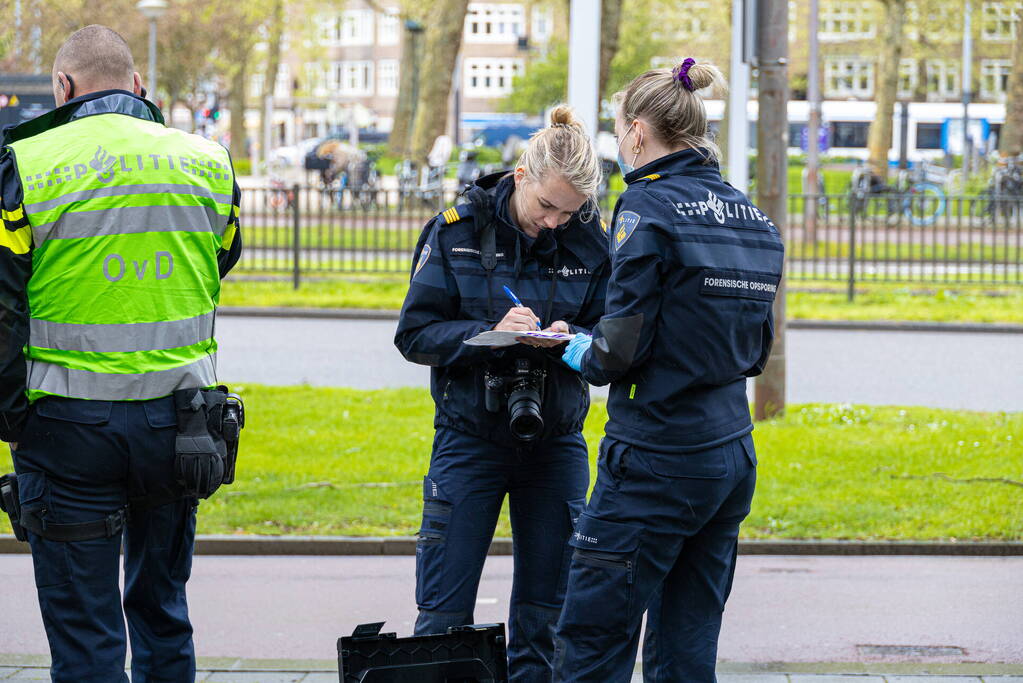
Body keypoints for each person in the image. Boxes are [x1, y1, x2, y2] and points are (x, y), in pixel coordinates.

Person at [0, 25, 242, 682]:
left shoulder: (29, 163)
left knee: (86, 634)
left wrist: (12, 417)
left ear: (63, 87)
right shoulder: (207, 160)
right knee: (163, 609)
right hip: (182, 426)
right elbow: (222, 256)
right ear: (140, 86)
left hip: (67, 428)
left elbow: (2, 303)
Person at [552, 59, 785, 682]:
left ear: (635, 132)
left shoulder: (645, 208)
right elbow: (757, 349)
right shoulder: (753, 218)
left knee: (593, 638)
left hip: (656, 455)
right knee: (687, 645)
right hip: (731, 454)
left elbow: (616, 351)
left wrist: (579, 347)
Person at [394, 105, 610, 682]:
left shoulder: (592, 242)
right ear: (521, 176)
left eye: (570, 212)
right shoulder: (457, 229)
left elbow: (617, 340)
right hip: (469, 439)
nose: (556, 223)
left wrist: (578, 338)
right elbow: (413, 334)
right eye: (547, 206)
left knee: (549, 616)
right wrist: (484, 337)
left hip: (556, 439)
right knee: (442, 616)